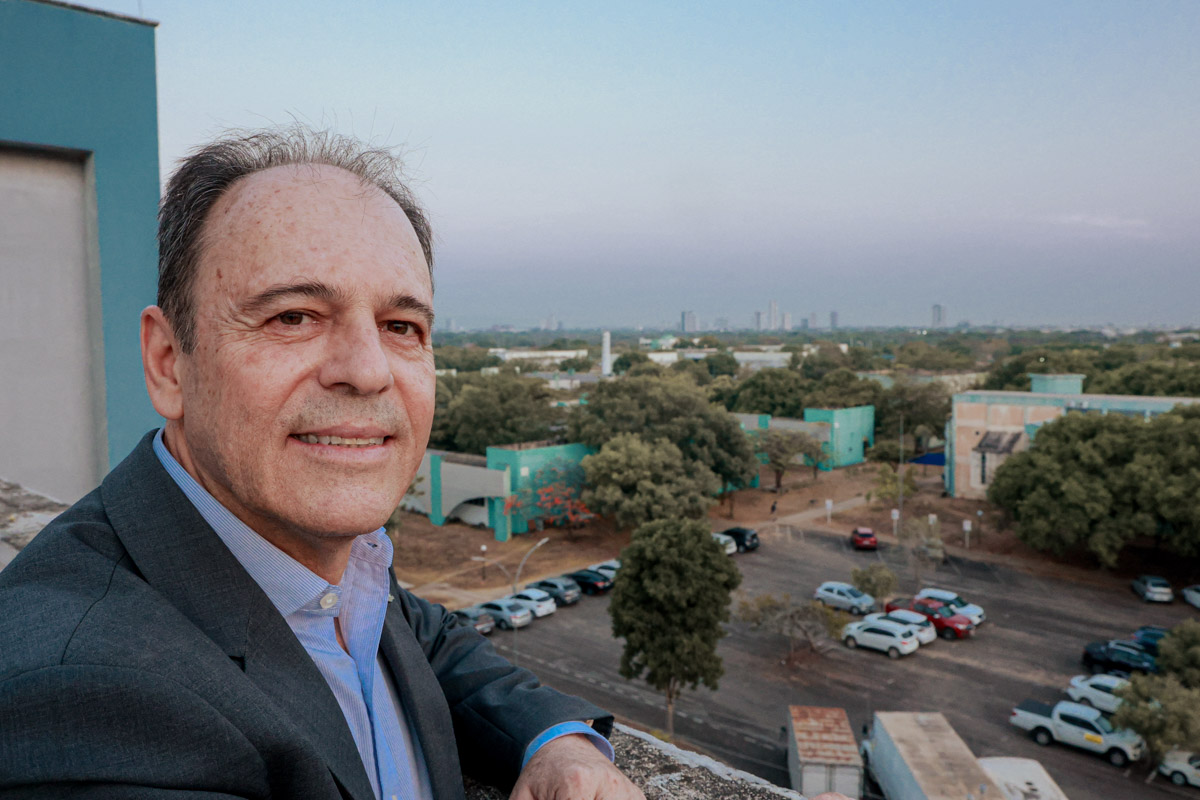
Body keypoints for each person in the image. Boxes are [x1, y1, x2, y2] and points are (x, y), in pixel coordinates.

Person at [0, 127, 643, 800]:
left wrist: (555, 740)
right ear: (168, 363)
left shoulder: (327, 572)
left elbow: (427, 639)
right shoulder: (84, 699)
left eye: (401, 327)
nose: (367, 371)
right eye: (293, 317)